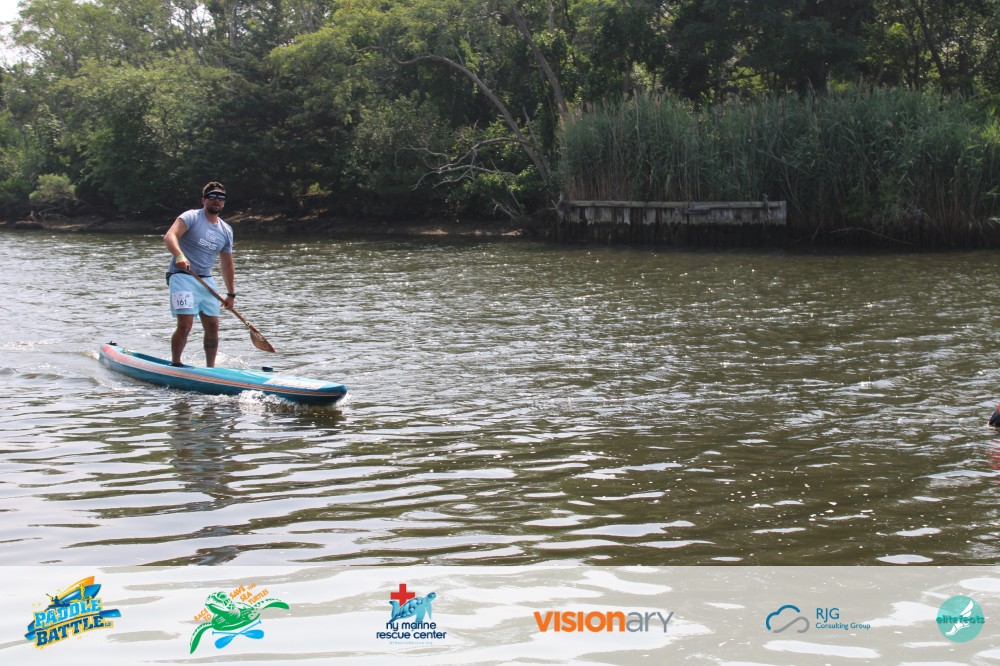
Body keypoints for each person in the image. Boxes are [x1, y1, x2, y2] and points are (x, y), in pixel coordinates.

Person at [163, 182, 236, 367]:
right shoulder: (191, 217)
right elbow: (170, 236)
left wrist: (231, 294)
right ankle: (176, 364)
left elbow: (227, 264)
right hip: (181, 275)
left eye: (221, 198)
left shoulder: (226, 230)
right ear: (204, 200)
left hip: (206, 279)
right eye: (212, 197)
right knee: (185, 324)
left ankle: (210, 370)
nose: (216, 200)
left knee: (213, 326)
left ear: (224, 202)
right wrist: (179, 255)